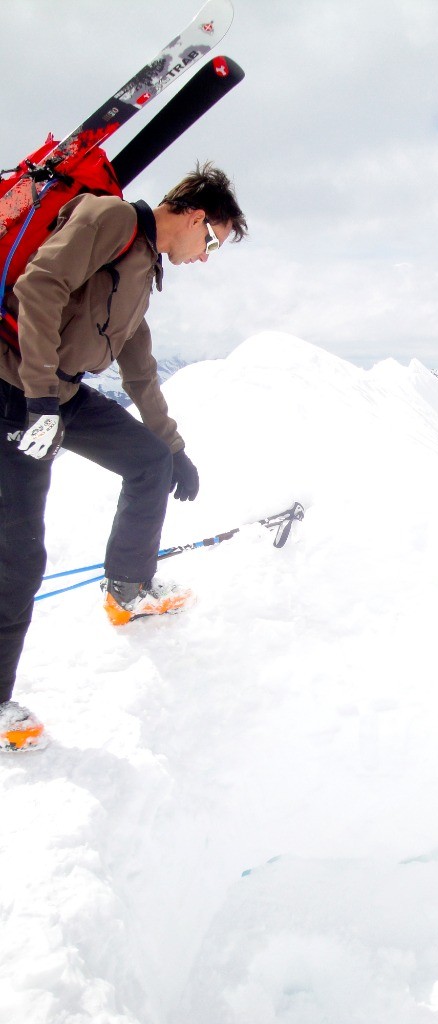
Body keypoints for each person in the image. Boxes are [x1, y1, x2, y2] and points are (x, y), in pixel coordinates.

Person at [0, 161, 247, 750]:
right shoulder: (110, 219)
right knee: (18, 556)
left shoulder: (142, 268)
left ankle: (128, 589)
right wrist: (37, 398)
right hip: (16, 394)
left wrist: (172, 448)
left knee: (147, 464)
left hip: (61, 395)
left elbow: (139, 367)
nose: (208, 256)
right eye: (212, 239)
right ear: (192, 216)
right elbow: (39, 285)